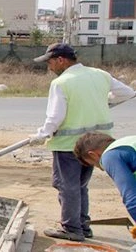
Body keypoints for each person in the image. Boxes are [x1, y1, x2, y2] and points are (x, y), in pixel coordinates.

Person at [29, 43, 135, 241]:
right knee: (80, 186)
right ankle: (83, 226)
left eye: (50, 63)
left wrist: (42, 134)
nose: (49, 67)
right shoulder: (99, 74)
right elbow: (128, 93)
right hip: (97, 145)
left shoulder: (62, 83)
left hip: (68, 144)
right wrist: (104, 101)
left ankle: (72, 228)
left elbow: (55, 117)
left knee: (67, 186)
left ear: (61, 60)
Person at [74, 131, 136, 244]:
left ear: (93, 154)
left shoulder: (110, 156)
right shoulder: (129, 143)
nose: (99, 167)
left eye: (94, 164)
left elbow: (131, 199)